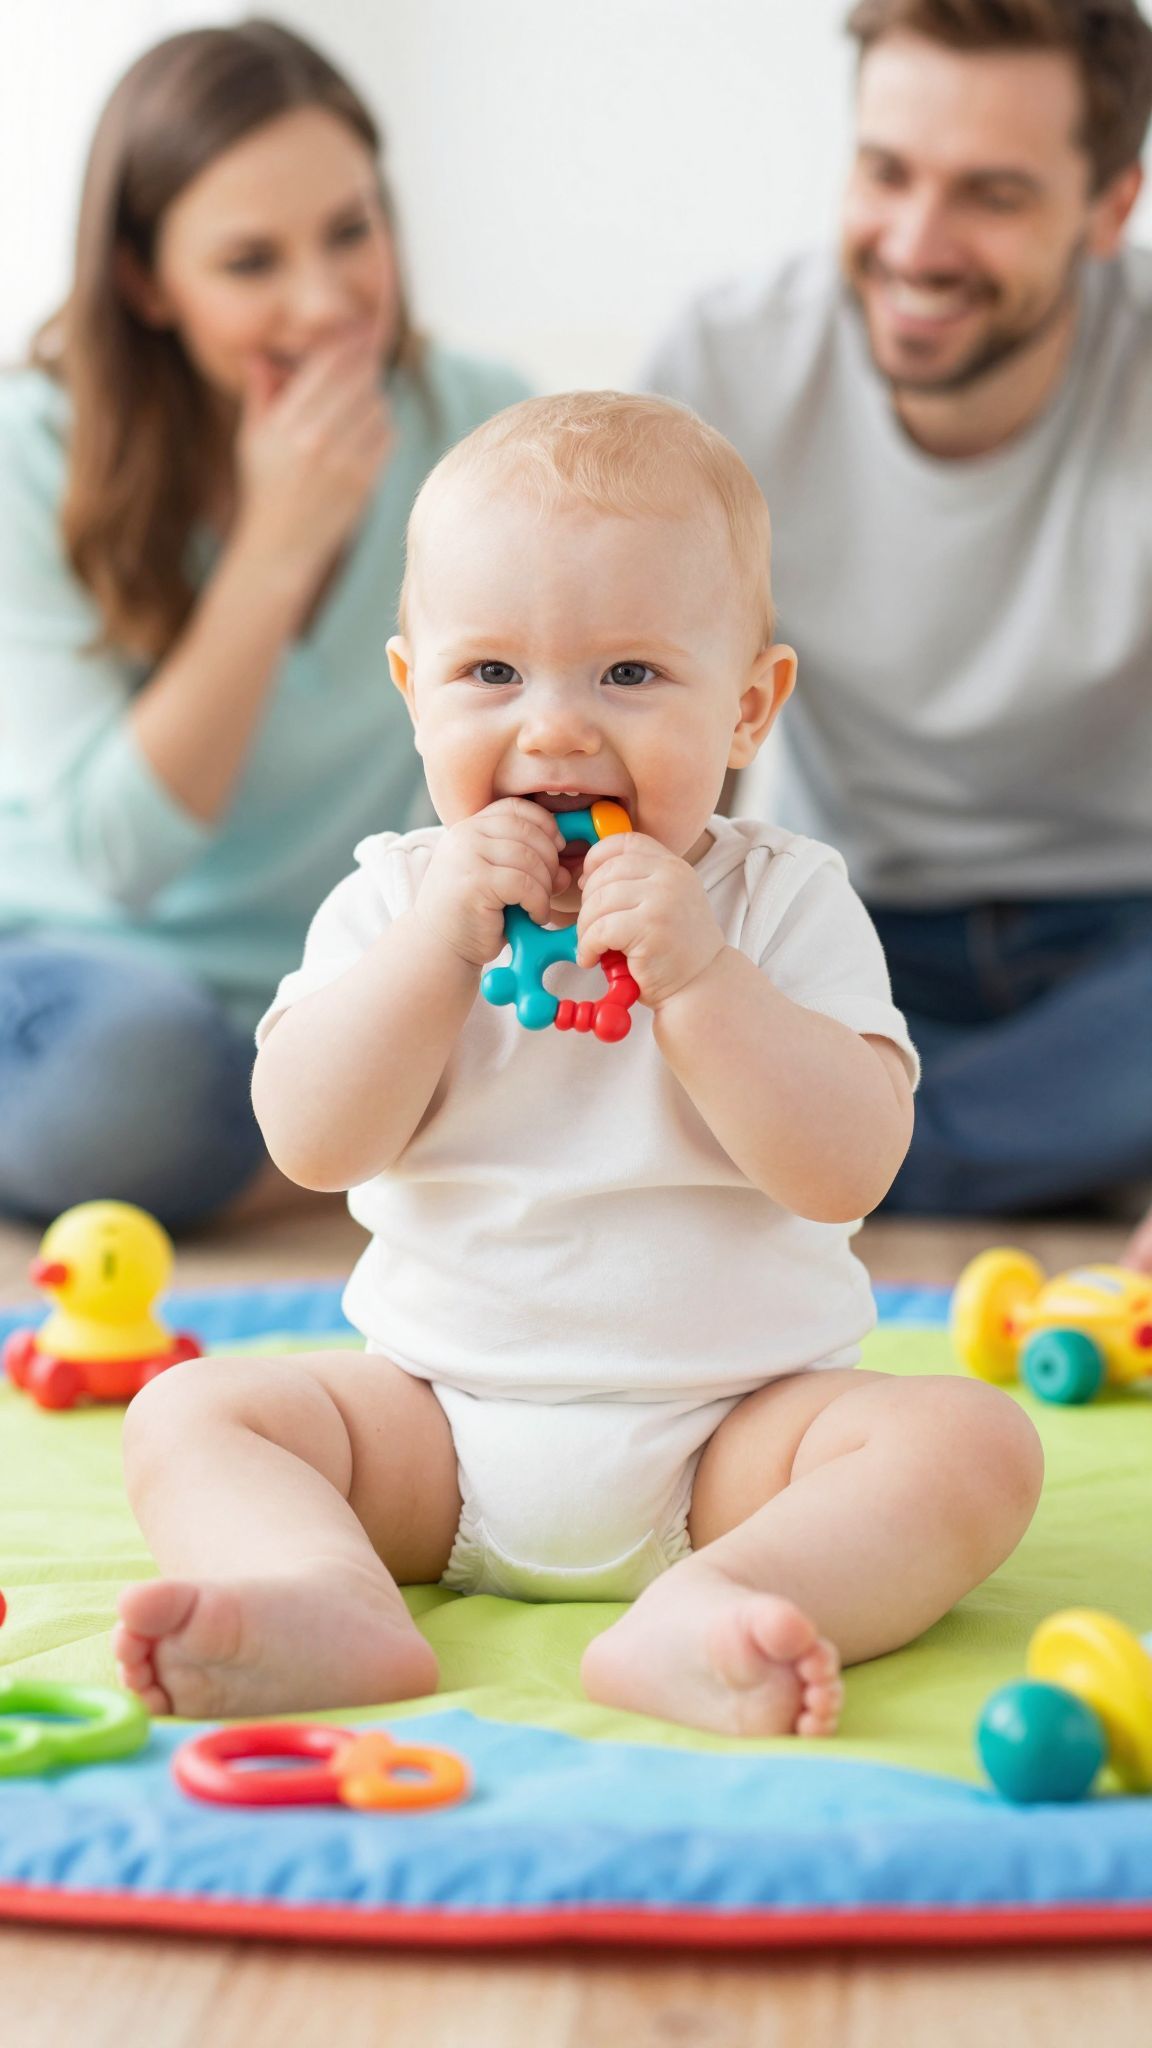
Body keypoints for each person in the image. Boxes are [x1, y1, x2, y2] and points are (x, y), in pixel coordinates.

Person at [110, 394, 1042, 1736]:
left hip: (737, 1441)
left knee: (969, 1447)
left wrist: (707, 980)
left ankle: (719, 1609)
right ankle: (323, 1595)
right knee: (193, 1410)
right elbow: (312, 1141)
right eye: (491, 674)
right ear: (412, 692)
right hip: (433, 1427)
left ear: (747, 707)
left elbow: (852, 1160)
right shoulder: (393, 902)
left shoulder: (782, 901)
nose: (554, 731)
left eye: (628, 675)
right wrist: (438, 949)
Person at [640, 0, 1152, 1263]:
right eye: (886, 172)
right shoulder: (727, 363)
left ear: (1111, 206)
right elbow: (645, 707)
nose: (918, 244)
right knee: (693, 1020)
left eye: (992, 194)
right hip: (850, 918)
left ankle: (865, 1146)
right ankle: (987, 1151)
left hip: (1123, 943)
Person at [0, 20, 528, 1231]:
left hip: (353, 976)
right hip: (83, 968)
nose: (327, 300)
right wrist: (276, 549)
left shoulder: (484, 424)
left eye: (352, 231)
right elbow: (117, 859)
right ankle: (323, 1153)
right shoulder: (31, 450)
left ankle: (291, 1146)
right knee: (114, 1073)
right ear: (146, 282)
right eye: (250, 262)